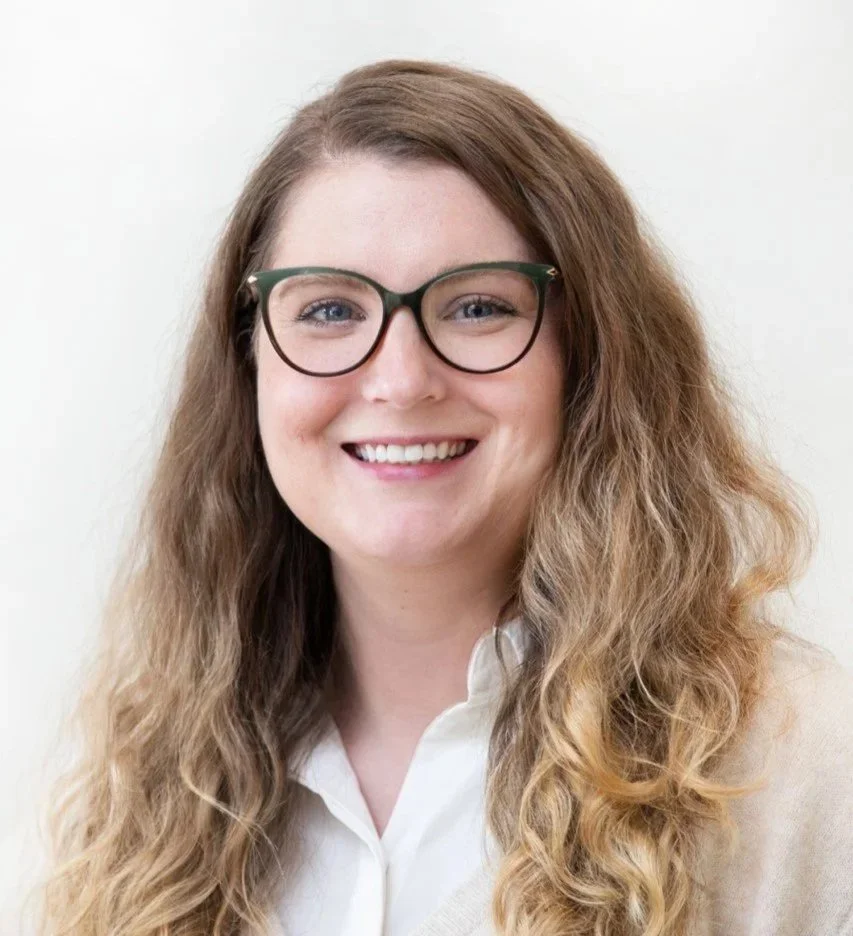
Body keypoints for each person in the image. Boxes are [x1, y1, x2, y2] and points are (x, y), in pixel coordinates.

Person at [31, 58, 853, 936]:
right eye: (329, 311)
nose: (400, 379)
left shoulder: (800, 768)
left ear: (592, 361)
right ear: (249, 366)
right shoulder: (143, 784)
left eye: (475, 308)